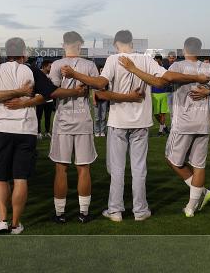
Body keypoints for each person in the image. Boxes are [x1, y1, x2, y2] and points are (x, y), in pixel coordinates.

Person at [0, 37, 85, 235]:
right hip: (26, 130)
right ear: (23, 53)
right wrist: (75, 91)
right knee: (20, 178)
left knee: (1, 178)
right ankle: (15, 224)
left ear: (7, 53)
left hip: (2, 129)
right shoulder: (31, 70)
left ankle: (2, 220)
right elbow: (52, 92)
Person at [62, 30, 173, 222]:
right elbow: (163, 80)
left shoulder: (113, 60)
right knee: (139, 168)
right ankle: (140, 210)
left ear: (115, 44)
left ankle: (115, 210)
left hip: (118, 121)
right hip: (140, 121)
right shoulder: (146, 59)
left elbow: (100, 83)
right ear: (132, 43)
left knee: (117, 168)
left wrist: (74, 74)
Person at [126, 37, 210, 217]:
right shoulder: (208, 68)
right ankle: (191, 207)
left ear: (184, 49)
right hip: (203, 122)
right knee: (199, 165)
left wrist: (134, 69)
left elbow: (166, 78)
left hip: (183, 122)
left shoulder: (178, 66)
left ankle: (200, 193)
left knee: (172, 159)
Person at [47, 31, 100, 223]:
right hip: (83, 119)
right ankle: (83, 213)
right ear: (80, 44)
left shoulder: (56, 64)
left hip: (63, 121)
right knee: (83, 168)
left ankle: (60, 214)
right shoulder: (89, 65)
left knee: (61, 168)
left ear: (63, 44)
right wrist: (79, 90)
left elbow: (52, 92)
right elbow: (99, 85)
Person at [36, 60, 56, 139]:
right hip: (40, 99)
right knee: (38, 117)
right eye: (50, 67)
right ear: (44, 66)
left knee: (48, 117)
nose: (51, 68)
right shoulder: (38, 74)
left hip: (49, 100)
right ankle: (38, 132)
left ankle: (47, 132)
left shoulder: (51, 75)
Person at [151, 54, 170, 136]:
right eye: (155, 60)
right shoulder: (151, 70)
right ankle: (164, 128)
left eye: (157, 60)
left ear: (160, 60)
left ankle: (160, 131)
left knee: (162, 113)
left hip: (163, 93)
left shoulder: (164, 70)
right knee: (156, 114)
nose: (155, 62)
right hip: (154, 94)